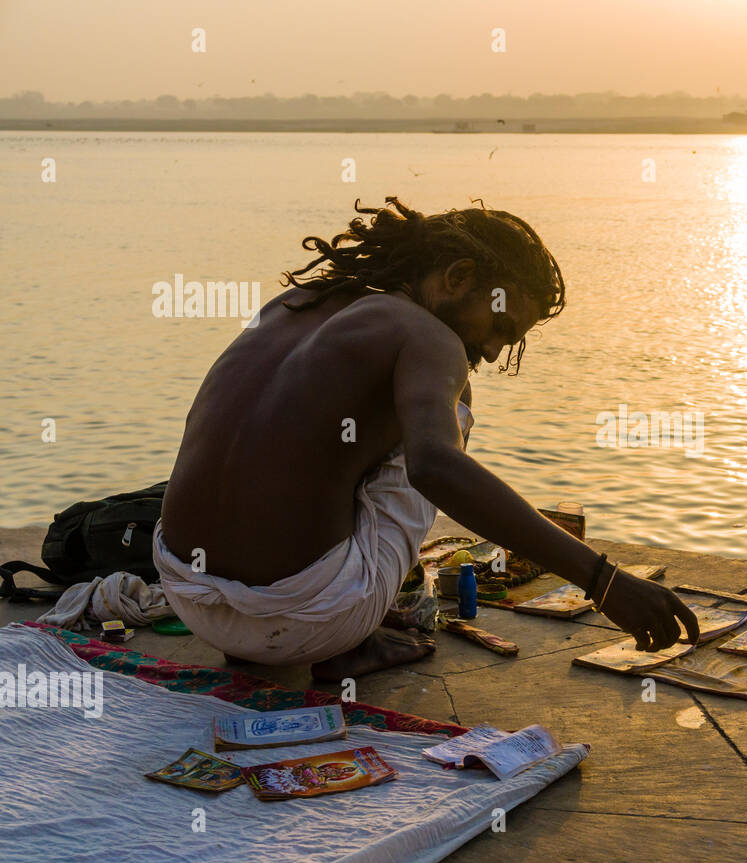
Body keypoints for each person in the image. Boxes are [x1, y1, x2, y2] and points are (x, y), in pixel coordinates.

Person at [154, 198, 700, 678]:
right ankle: (362, 634)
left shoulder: (297, 303)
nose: (489, 352)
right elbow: (434, 467)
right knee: (449, 412)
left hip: (186, 592)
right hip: (304, 621)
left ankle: (283, 626)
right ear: (459, 276)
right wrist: (603, 580)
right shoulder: (427, 335)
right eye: (501, 329)